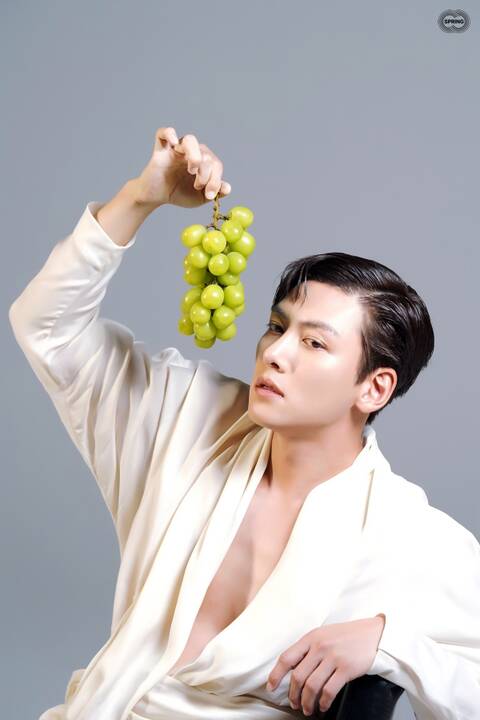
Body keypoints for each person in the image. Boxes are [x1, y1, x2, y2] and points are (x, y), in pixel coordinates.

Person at [9, 127, 480, 720]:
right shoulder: (188, 420)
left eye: (314, 343)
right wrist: (140, 197)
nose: (275, 353)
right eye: (277, 327)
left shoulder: (404, 534)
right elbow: (46, 327)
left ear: (374, 387)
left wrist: (393, 645)